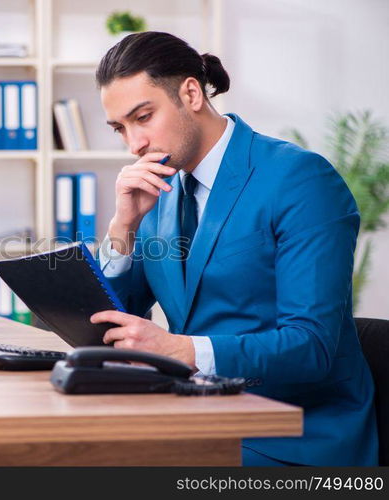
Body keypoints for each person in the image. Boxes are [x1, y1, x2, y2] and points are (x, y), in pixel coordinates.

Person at [89, 31, 378, 466]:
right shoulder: (160, 193)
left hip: (293, 436)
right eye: (120, 129)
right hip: (198, 417)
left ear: (190, 93)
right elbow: (116, 315)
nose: (134, 145)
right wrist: (123, 225)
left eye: (143, 117)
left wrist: (181, 350)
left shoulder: (299, 180)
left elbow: (312, 346)